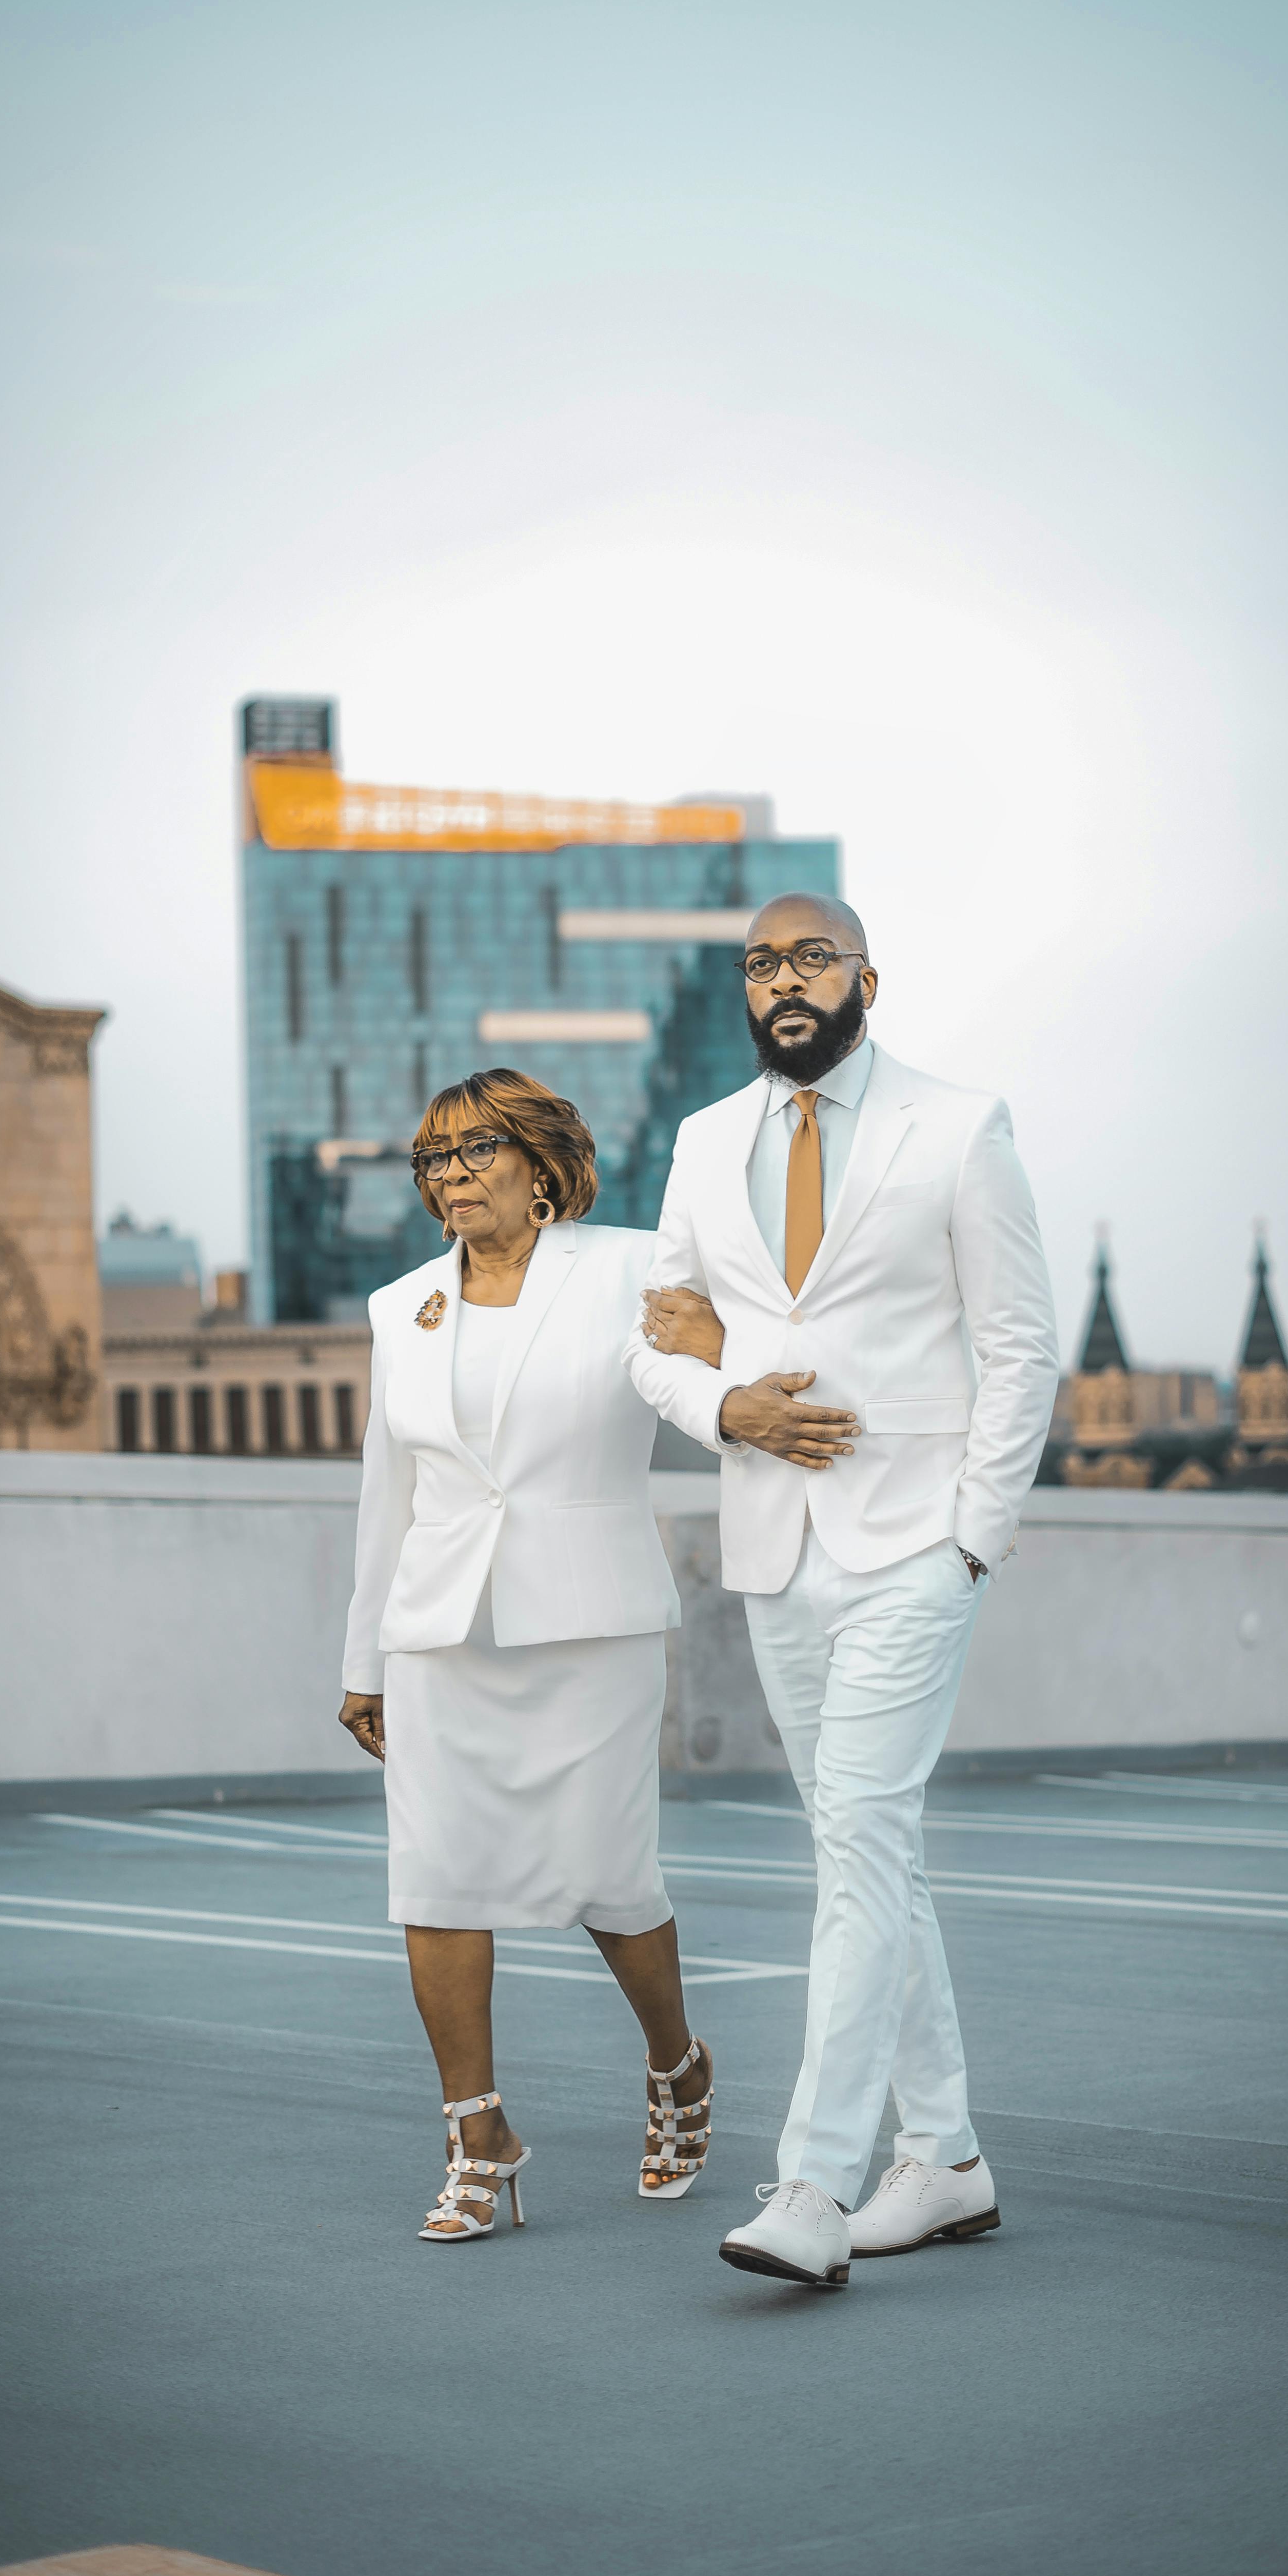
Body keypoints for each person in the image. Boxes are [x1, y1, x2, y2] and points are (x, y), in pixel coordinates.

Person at [627, 896, 1057, 2288]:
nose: (784, 983)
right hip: (776, 1549)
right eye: (761, 965)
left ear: (868, 976)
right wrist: (727, 1405)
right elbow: (656, 1345)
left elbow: (1020, 1346)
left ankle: (812, 2185)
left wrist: (971, 1539)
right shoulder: (701, 1144)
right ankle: (947, 2161)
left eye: (810, 959)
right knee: (869, 1855)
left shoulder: (959, 1126)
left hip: (915, 1545)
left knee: (862, 1843)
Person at [340, 1067, 714, 2242]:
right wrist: (364, 1658)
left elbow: (708, 1374)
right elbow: (384, 1493)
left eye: (470, 1152)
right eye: (430, 1161)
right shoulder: (400, 1307)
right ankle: (477, 2134)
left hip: (588, 1623)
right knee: (436, 1879)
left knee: (609, 1879)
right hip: (442, 1630)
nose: (447, 1177)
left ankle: (678, 2066)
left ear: (541, 1161)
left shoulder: (632, 1266)